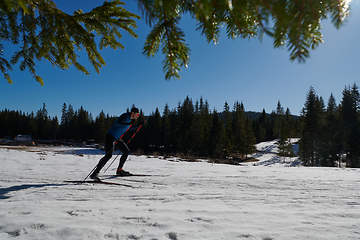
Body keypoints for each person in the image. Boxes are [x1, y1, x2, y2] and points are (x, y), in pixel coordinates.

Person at [90, 107, 142, 180]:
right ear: (133, 113)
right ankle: (95, 173)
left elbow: (128, 127)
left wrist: (138, 125)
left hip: (117, 139)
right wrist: (129, 123)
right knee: (108, 156)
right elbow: (119, 123)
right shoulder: (125, 116)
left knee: (126, 151)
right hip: (110, 137)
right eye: (137, 114)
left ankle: (119, 170)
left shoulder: (129, 120)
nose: (138, 115)